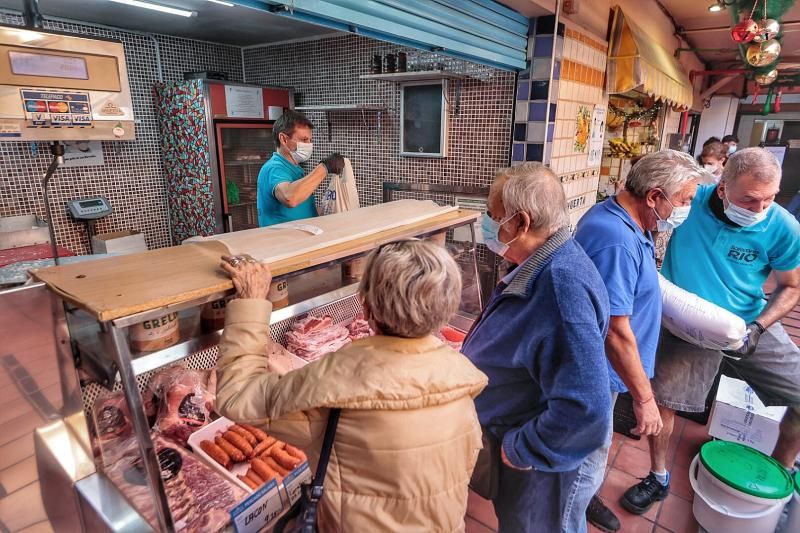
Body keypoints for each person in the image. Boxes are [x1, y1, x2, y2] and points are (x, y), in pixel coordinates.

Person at [214, 240, 488, 531]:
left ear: (366, 307)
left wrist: (251, 304)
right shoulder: (462, 384)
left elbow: (238, 393)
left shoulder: (334, 385)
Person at [622, 148, 800, 514]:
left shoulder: (783, 227)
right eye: (749, 199)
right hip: (685, 323)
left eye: (769, 199)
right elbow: (647, 193)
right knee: (665, 403)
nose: (759, 209)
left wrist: (758, 327)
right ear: (721, 188)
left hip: (748, 324)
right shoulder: (690, 201)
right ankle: (658, 477)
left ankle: (780, 471)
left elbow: (791, 287)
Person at [461, 162, 611, 533]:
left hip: (538, 469)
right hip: (520, 446)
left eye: (495, 218)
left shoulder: (562, 287)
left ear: (522, 223)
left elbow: (587, 408)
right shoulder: (544, 263)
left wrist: (520, 449)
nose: (489, 226)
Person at [573, 150, 704, 532]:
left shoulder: (633, 224)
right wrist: (645, 400)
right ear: (654, 196)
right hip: (600, 369)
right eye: (683, 201)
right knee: (589, 455)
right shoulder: (615, 238)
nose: (683, 209)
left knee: (591, 453)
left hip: (610, 371)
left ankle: (581, 497)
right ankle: (572, 513)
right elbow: (615, 330)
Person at [257, 109, 345, 226]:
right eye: (304, 140)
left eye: (310, 140)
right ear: (283, 139)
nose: (309, 145)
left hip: (300, 240)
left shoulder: (295, 169)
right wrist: (325, 167)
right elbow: (290, 198)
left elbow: (300, 210)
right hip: (283, 242)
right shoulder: (274, 168)